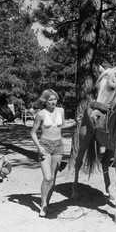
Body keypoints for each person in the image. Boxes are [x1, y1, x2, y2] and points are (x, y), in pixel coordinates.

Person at [30, 89, 66, 217]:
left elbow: (63, 126)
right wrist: (38, 146)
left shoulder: (61, 111)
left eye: (55, 99)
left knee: (53, 179)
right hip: (45, 145)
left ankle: (47, 203)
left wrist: (76, 122)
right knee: (47, 178)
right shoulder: (41, 114)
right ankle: (43, 204)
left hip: (58, 146)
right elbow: (33, 132)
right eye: (50, 99)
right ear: (45, 101)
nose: (53, 102)